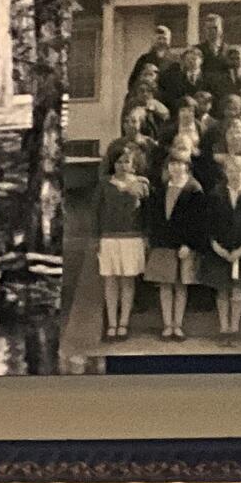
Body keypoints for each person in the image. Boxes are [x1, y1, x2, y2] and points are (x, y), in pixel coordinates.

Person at [145, 151, 207, 342]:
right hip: (164, 244)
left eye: (180, 164)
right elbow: (155, 218)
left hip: (183, 247)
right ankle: (167, 324)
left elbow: (199, 222)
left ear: (187, 166)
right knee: (165, 284)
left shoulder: (194, 189)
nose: (176, 168)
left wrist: (189, 244)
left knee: (180, 286)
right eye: (172, 164)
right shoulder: (162, 189)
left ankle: (178, 325)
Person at [201, 147, 241, 340]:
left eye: (238, 170)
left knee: (237, 289)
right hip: (220, 248)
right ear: (225, 172)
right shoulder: (216, 193)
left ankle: (234, 329)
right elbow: (208, 221)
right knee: (222, 288)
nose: (234, 174)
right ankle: (223, 328)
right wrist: (216, 245)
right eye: (230, 170)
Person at [95, 140, 149, 342]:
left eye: (126, 162)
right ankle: (112, 323)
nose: (122, 166)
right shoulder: (104, 184)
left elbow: (146, 214)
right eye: (118, 162)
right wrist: (96, 239)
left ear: (133, 164)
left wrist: (145, 236)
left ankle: (124, 323)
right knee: (110, 281)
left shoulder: (142, 185)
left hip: (132, 238)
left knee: (127, 281)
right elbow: (96, 213)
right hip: (109, 238)